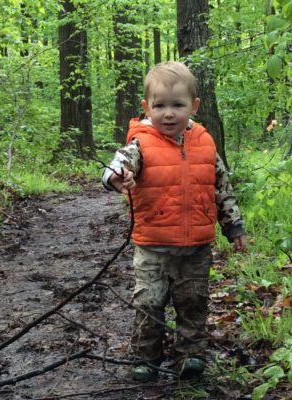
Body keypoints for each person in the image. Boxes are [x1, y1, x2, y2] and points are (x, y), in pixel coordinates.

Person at [102, 61, 246, 382]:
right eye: (160, 106)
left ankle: (190, 355)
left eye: (177, 105)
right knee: (148, 302)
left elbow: (220, 187)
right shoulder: (141, 143)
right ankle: (145, 356)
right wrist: (114, 175)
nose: (168, 113)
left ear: (193, 106)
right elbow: (122, 160)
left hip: (197, 246)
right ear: (146, 107)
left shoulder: (206, 144)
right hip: (152, 244)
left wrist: (233, 226)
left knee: (193, 300)